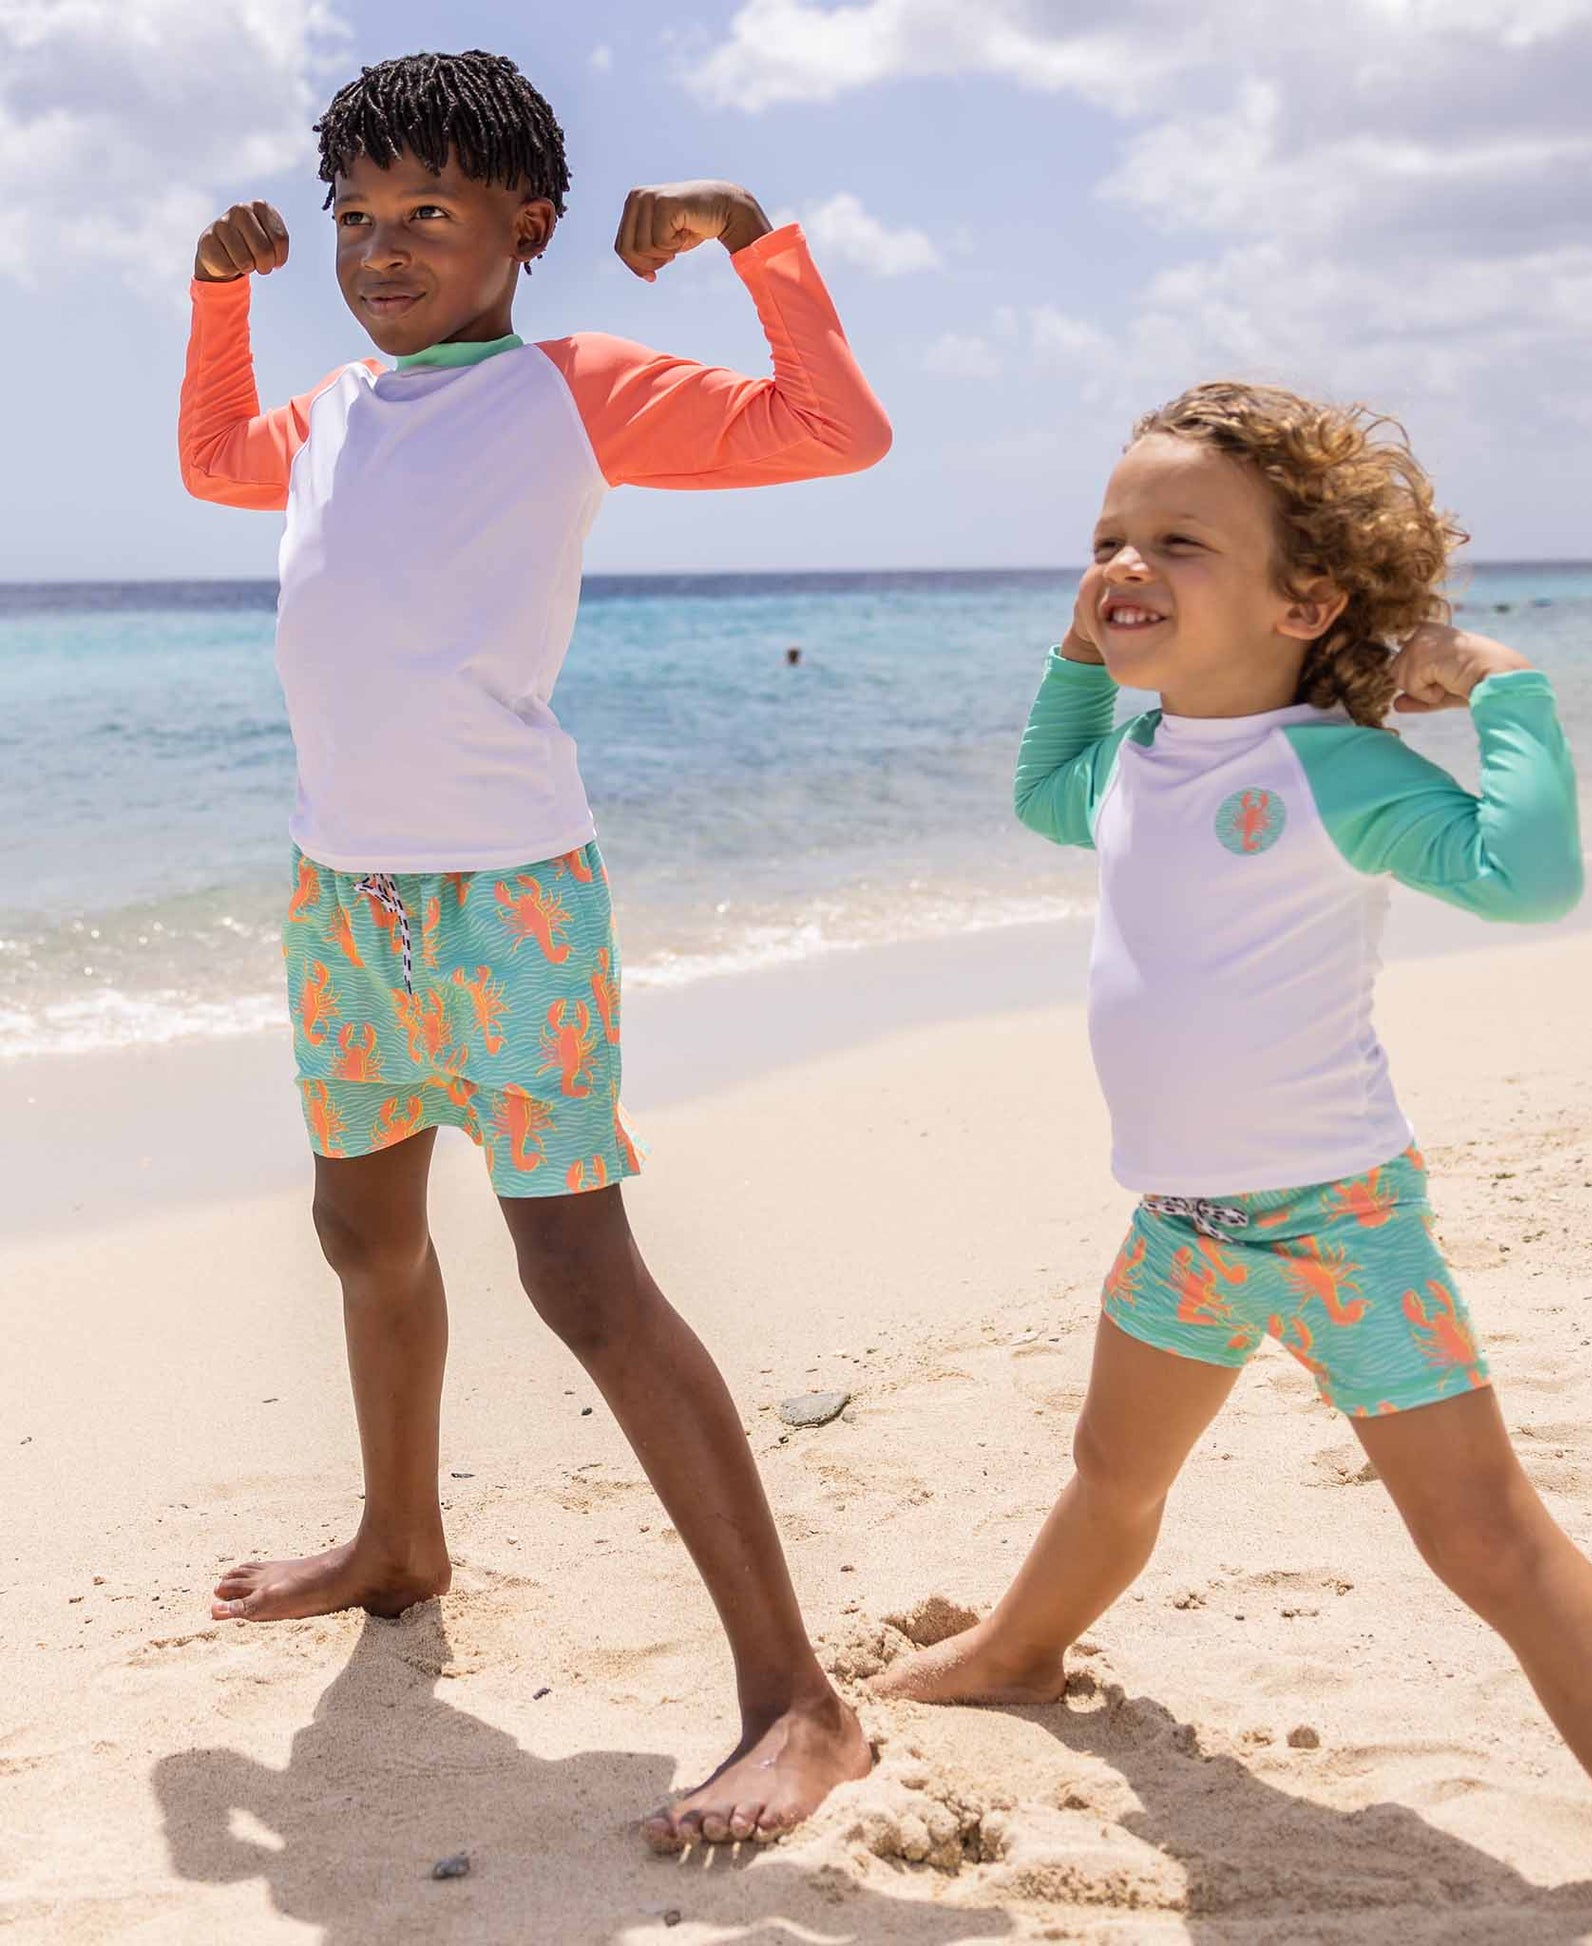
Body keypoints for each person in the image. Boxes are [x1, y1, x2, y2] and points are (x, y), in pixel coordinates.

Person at [872, 382, 1592, 1946]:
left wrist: (1505, 689)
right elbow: (1041, 793)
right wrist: (1074, 655)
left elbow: (1523, 875)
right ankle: (1018, 1651)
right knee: (1112, 1474)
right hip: (1179, 1222)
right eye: (1107, 537)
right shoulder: (1136, 756)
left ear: (1304, 603)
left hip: (1335, 1222)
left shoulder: (1334, 769)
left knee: (1484, 1536)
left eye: (1177, 541)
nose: (1122, 562)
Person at [178, 49, 891, 1846]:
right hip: (344, 897)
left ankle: (797, 1696)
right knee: (363, 1232)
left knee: (579, 1274)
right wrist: (217, 300)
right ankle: (399, 1536)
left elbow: (835, 432)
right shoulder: (333, 409)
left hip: (508, 902)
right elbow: (210, 465)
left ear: (529, 226)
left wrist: (753, 241)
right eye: (357, 213)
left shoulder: (576, 390)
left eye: (429, 210)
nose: (382, 245)